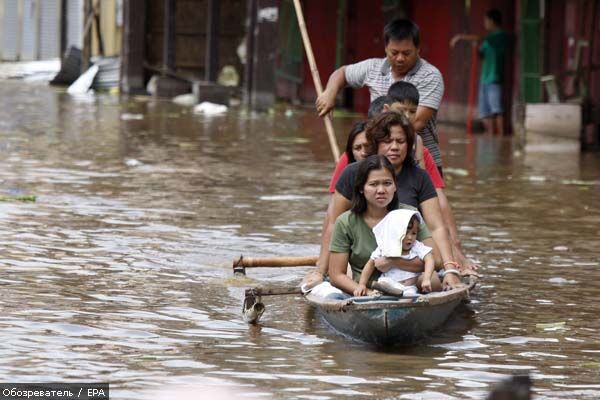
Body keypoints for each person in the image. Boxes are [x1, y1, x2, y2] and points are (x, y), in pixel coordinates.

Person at [305, 111, 463, 292]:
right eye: (387, 141)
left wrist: (449, 268)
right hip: (358, 259)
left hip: (408, 254)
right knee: (341, 276)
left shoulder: (411, 204)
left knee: (433, 280)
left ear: (395, 186)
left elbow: (436, 227)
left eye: (401, 141)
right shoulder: (351, 180)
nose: (394, 147)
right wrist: (321, 270)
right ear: (361, 188)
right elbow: (333, 224)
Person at [316, 18, 445, 175]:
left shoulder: (430, 76)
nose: (400, 58)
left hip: (420, 161)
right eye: (394, 52)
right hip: (378, 161)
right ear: (385, 49)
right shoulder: (373, 67)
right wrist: (330, 93)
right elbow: (341, 73)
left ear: (418, 49)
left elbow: (416, 122)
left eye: (406, 53)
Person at [384, 81, 479, 271]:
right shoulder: (364, 150)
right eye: (388, 141)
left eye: (412, 111)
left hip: (412, 216)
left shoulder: (419, 152)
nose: (407, 117)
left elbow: (437, 203)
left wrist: (455, 252)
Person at [355, 209, 440, 297]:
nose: (410, 237)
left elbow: (429, 259)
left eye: (414, 233)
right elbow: (370, 264)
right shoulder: (385, 247)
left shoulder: (416, 246)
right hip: (389, 283)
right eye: (405, 233)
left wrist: (426, 278)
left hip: (408, 287)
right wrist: (362, 284)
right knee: (383, 285)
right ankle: (379, 293)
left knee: (410, 299)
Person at [450, 8, 509, 135]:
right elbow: (481, 56)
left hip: (494, 78)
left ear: (492, 21)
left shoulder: (500, 36)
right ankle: (491, 135)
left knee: (496, 109)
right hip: (484, 79)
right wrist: (475, 48)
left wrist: (460, 37)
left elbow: (481, 38)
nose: (485, 23)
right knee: (486, 111)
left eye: (486, 20)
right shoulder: (487, 41)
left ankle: (501, 137)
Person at [328, 121, 369, 193]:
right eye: (357, 148)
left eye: (368, 146)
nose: (363, 153)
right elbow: (334, 199)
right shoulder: (346, 161)